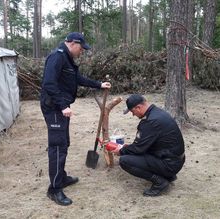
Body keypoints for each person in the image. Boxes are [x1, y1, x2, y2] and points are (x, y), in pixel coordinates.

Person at [40, 32, 111, 206]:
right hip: (55, 107)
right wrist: (63, 105)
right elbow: (48, 83)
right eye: (81, 48)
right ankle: (54, 189)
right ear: (72, 43)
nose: (82, 51)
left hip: (61, 107)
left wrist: (98, 84)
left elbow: (76, 78)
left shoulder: (67, 58)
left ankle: (61, 177)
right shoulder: (57, 57)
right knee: (58, 147)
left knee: (64, 143)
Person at [111, 94, 185, 196]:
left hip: (170, 164)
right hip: (176, 159)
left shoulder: (150, 121)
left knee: (124, 161)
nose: (133, 115)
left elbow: (138, 149)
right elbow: (144, 145)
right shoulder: (158, 113)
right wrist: (128, 147)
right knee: (134, 152)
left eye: (132, 112)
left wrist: (121, 151)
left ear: (139, 107)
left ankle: (160, 182)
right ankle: (168, 175)